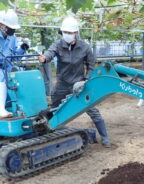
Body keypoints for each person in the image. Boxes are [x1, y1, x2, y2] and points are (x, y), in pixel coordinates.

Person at [38, 17, 111, 147]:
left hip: (79, 84)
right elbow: (50, 53)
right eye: (65, 32)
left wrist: (85, 79)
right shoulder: (58, 45)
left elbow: (91, 65)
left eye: (70, 32)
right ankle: (48, 133)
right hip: (62, 83)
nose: (67, 34)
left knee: (91, 108)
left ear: (75, 33)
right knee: (54, 107)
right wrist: (44, 58)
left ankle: (105, 137)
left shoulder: (85, 47)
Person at [0, 9, 28, 118]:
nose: (12, 30)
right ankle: (0, 109)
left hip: (8, 67)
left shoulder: (13, 37)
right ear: (1, 24)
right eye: (10, 28)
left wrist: (22, 49)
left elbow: (14, 58)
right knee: (2, 78)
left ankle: (22, 107)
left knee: (21, 76)